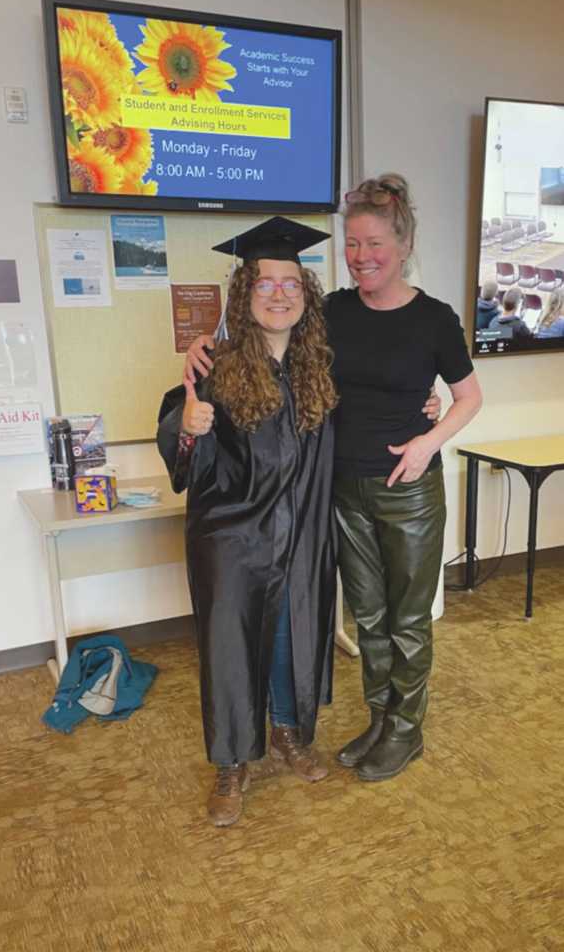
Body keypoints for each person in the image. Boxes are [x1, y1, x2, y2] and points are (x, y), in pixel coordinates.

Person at [186, 175, 482, 783]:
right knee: (368, 617)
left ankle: (406, 729)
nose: (362, 256)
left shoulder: (434, 319)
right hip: (343, 490)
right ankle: (379, 718)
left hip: (408, 490)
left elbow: (468, 398)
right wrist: (202, 344)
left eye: (374, 243)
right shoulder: (335, 313)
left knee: (408, 617)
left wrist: (429, 439)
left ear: (402, 245)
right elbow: (267, 330)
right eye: (352, 244)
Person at [157, 218, 339, 828]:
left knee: (293, 636)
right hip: (232, 537)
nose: (279, 293)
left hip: (302, 533)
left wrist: (425, 403)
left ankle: (288, 732)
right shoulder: (215, 365)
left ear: (306, 294)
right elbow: (182, 441)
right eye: (266, 283)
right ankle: (232, 762)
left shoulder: (320, 367)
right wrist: (186, 429)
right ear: (245, 293)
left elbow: (365, 416)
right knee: (230, 649)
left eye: (291, 282)